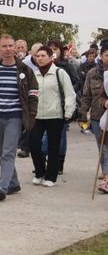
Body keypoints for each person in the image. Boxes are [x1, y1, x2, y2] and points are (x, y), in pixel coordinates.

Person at [0, 34, 38, 201]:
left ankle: (2, 187)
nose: (8, 49)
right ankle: (13, 182)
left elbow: (33, 94)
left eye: (10, 46)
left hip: (15, 117)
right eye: (4, 46)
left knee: (8, 152)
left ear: (15, 48)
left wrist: (31, 115)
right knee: (2, 152)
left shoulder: (25, 70)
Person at [29, 46, 76, 187]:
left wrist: (68, 111)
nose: (40, 58)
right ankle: (39, 172)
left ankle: (51, 176)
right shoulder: (34, 74)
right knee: (34, 144)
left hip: (55, 115)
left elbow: (70, 93)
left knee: (53, 147)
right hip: (37, 116)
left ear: (51, 57)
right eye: (38, 56)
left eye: (43, 55)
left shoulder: (59, 73)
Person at [45, 40, 81, 174]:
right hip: (45, 106)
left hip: (62, 105)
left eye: (55, 48)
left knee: (60, 135)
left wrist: (66, 91)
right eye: (50, 48)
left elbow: (77, 82)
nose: (53, 51)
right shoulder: (43, 65)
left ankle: (59, 163)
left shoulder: (67, 66)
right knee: (44, 135)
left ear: (60, 50)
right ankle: (44, 160)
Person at [79, 44, 108, 193]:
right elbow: (87, 95)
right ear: (101, 56)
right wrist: (83, 115)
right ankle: (106, 176)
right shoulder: (92, 73)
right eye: (107, 55)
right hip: (98, 116)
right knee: (103, 148)